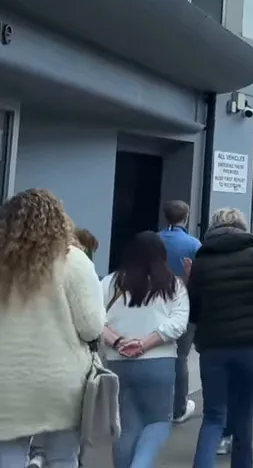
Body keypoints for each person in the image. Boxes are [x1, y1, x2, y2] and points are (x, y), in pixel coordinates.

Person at [0, 189, 105, 468]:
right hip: (61, 381)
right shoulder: (74, 261)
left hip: (5, 378)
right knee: (62, 456)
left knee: (7, 454)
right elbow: (91, 327)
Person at [187, 207, 253, 468]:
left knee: (212, 415)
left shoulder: (202, 259)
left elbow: (193, 308)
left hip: (212, 345)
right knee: (243, 415)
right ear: (243, 227)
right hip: (249, 344)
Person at [100, 232, 189, 468]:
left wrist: (119, 343)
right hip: (158, 361)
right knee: (159, 421)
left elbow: (96, 320)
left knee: (127, 426)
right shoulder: (173, 285)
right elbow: (178, 324)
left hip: (116, 362)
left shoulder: (110, 282)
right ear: (163, 255)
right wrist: (145, 344)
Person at [155, 200, 202, 425]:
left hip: (155, 304)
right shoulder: (193, 244)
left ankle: (156, 405)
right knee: (180, 356)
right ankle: (178, 408)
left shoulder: (154, 241)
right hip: (184, 305)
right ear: (186, 216)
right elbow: (199, 277)